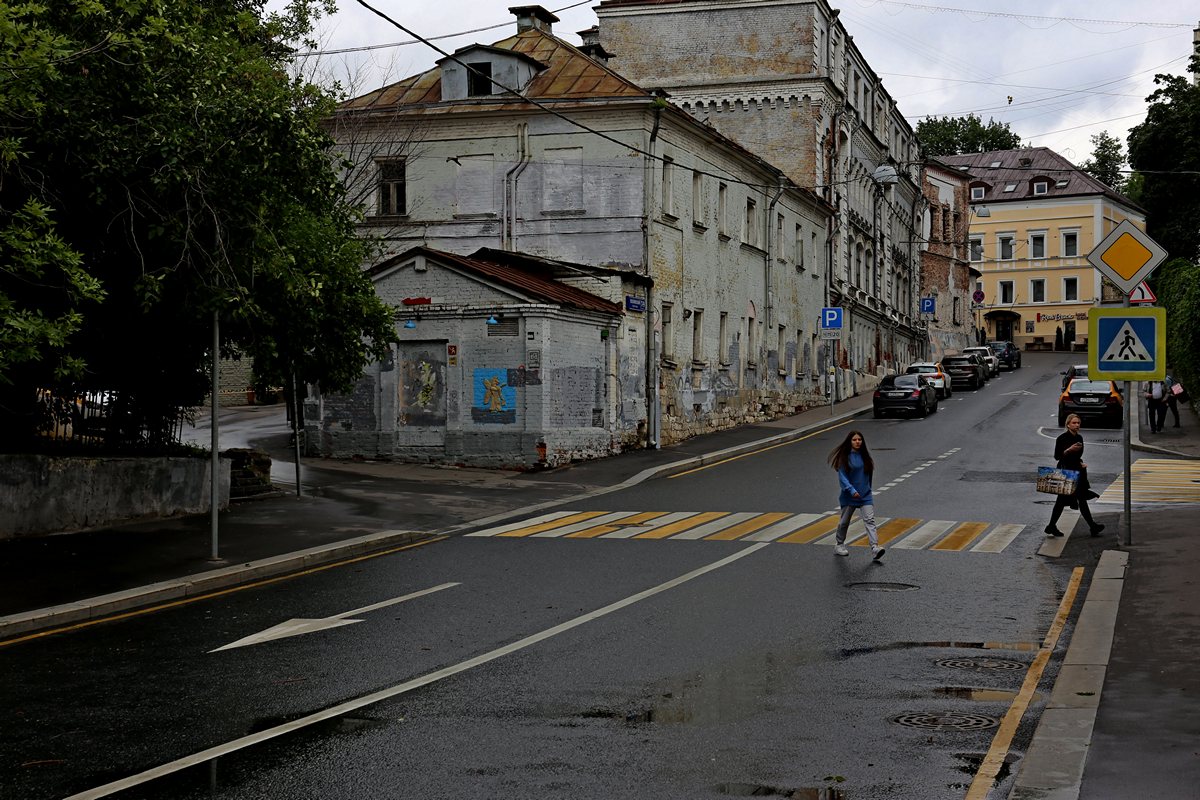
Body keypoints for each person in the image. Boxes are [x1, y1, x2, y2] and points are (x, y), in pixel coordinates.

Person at [827, 430, 885, 560]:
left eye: (859, 439)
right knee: (844, 522)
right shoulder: (845, 457)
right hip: (849, 496)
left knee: (870, 520)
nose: (857, 442)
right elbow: (842, 477)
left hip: (865, 495)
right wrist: (852, 490)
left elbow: (869, 474)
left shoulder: (865, 456)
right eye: (854, 440)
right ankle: (839, 545)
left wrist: (868, 489)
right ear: (850, 442)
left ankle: (875, 547)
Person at [1045, 414, 1105, 538]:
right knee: (1065, 501)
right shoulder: (1062, 438)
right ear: (1068, 424)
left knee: (1076, 500)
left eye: (1078, 423)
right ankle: (1091, 526)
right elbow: (1057, 456)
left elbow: (1077, 456)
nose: (1077, 425)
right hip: (1066, 474)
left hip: (1077, 473)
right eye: (1074, 423)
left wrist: (1080, 463)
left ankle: (1091, 526)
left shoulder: (1079, 437)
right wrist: (1068, 450)